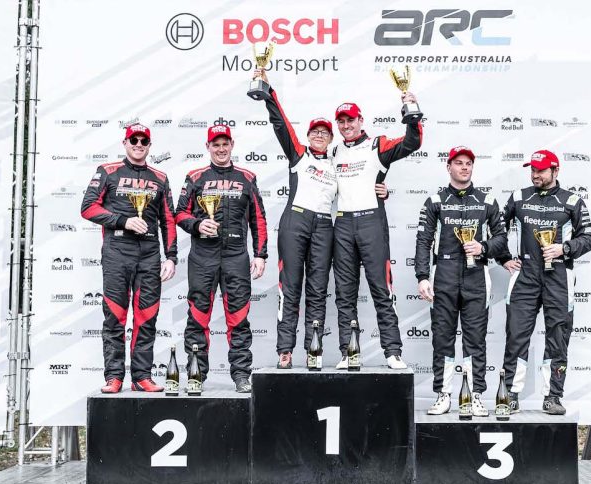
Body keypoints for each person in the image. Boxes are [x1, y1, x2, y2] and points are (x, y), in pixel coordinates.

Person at [252, 68, 390, 369]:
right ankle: (285, 350)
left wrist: (383, 190)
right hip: (296, 222)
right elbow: (280, 124)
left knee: (317, 290)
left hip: (325, 227)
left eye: (324, 132)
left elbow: (361, 181)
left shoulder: (338, 159)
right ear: (308, 135)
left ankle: (313, 349)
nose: (319, 135)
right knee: (290, 287)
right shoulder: (298, 154)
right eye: (314, 131)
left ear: (331, 137)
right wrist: (269, 93)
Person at [492, 150, 591, 415]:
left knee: (558, 337)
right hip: (525, 275)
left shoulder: (572, 201)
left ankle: (553, 396)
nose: (535, 174)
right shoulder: (519, 197)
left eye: (541, 170)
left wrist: (565, 248)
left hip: (559, 276)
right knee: (516, 335)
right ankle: (510, 394)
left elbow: (589, 238)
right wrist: (503, 258)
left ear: (555, 171)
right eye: (533, 170)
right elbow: (497, 229)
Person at [81, 123, 177, 393]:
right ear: (125, 143)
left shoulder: (160, 177)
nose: (138, 145)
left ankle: (142, 376)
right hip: (117, 252)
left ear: (149, 146)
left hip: (149, 254)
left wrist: (171, 257)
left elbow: (168, 219)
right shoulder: (108, 171)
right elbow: (88, 208)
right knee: (115, 316)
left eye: (143, 141)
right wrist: (123, 221)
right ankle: (114, 377)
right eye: (133, 140)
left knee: (147, 317)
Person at [331, 94, 423, 370]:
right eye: (341, 121)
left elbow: (412, 143)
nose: (346, 126)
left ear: (361, 120)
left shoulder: (377, 145)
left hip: (371, 222)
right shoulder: (333, 152)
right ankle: (349, 352)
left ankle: (393, 351)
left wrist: (411, 111)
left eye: (350, 120)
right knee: (344, 294)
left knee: (382, 289)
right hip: (342, 224)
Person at [175, 124, 268, 393]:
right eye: (215, 144)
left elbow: (258, 219)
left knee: (238, 319)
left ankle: (241, 375)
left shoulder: (247, 177)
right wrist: (196, 225)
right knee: (197, 318)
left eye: (225, 143)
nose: (221, 149)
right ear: (208, 147)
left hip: (236, 256)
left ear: (232, 145)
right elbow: (179, 213)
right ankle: (196, 375)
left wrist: (260, 254)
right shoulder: (195, 177)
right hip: (202, 257)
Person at [415, 146, 507, 416]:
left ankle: (474, 396)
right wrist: (422, 276)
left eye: (468, 163)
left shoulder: (487, 201)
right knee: (442, 339)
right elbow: (423, 241)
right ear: (449, 167)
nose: (464, 167)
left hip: (477, 276)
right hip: (443, 274)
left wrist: (483, 247)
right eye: (459, 163)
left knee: (475, 340)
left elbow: (502, 239)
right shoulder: (435, 201)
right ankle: (443, 395)